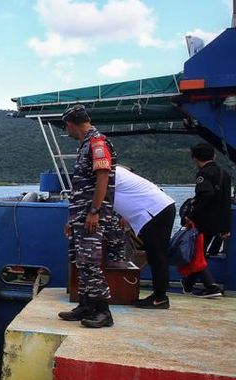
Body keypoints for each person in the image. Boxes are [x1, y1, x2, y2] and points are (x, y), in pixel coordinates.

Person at [58, 104, 118, 328]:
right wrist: (72, 220)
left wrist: (95, 211)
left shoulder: (97, 143)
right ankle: (86, 304)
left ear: (71, 124)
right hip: (80, 216)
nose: (68, 132)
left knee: (90, 262)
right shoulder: (86, 145)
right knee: (81, 262)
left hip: (91, 216)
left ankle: (103, 311)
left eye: (67, 127)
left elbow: (102, 177)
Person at [112, 166, 176, 309]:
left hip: (155, 211)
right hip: (157, 210)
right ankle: (158, 295)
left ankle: (160, 297)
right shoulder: (117, 172)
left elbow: (102, 196)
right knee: (155, 256)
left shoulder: (110, 174)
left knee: (158, 255)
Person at [190, 142, 233, 257]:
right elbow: (226, 201)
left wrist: (192, 214)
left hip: (203, 223)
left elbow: (206, 195)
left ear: (195, 158)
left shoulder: (203, 174)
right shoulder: (224, 174)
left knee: (196, 256)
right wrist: (225, 227)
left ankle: (199, 274)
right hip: (218, 223)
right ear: (214, 156)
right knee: (200, 256)